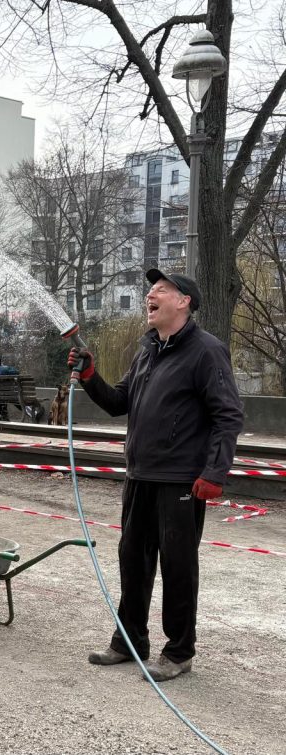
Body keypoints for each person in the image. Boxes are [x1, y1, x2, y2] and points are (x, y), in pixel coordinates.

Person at [68, 268, 243, 682]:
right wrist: (90, 376)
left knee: (178, 568)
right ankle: (130, 641)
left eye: (161, 289)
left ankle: (179, 651)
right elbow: (119, 402)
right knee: (132, 561)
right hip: (140, 476)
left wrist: (215, 471)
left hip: (180, 481)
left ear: (184, 302)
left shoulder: (206, 351)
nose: (151, 294)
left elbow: (228, 415)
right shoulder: (147, 349)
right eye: (151, 289)